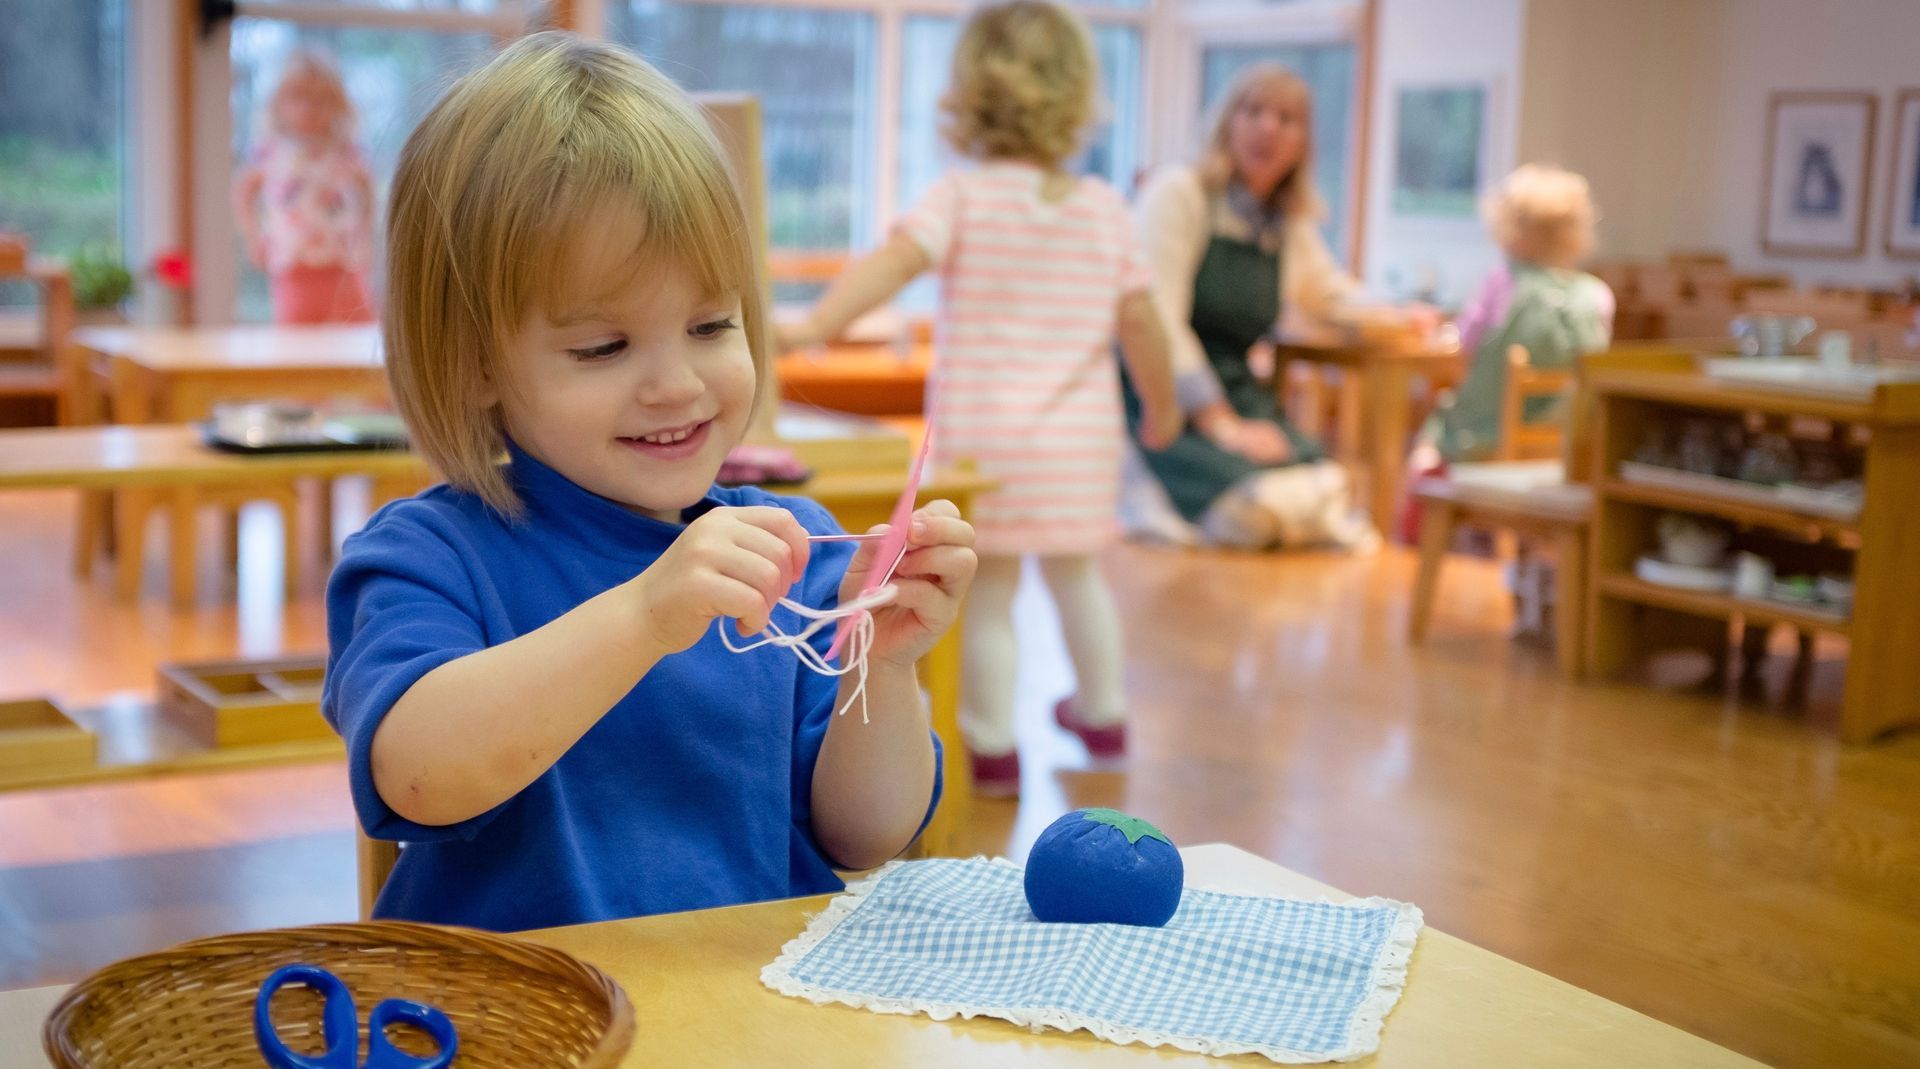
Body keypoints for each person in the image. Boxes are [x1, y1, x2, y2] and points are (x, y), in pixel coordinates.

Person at [322, 33, 976, 932]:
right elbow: (418, 775)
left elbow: (865, 834)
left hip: (750, 1013)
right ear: (475, 364)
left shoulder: (790, 542)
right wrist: (641, 617)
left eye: (712, 324)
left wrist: (885, 664)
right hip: (521, 1022)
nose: (677, 382)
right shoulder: (426, 555)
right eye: (603, 346)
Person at [777, 0, 1180, 798]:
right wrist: (1164, 409)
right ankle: (1102, 714)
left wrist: (814, 324)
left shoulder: (962, 196)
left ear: (968, 96)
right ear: (1076, 98)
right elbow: (1144, 324)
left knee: (989, 590)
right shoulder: (1105, 208)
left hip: (984, 442)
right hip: (1079, 443)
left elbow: (894, 261)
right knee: (1078, 577)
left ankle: (993, 748)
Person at [1125, 63, 1407, 552]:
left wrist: (1399, 316)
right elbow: (1156, 319)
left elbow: (1329, 294)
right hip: (1162, 397)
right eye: (1253, 111)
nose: (1268, 128)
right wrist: (1220, 423)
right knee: (1255, 510)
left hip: (1237, 390)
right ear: (1226, 122)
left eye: (1286, 118)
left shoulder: (1283, 222)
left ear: (1303, 142)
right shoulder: (1179, 194)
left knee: (1321, 481)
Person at [1414, 163, 1613, 470]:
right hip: (1564, 447)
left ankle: (1411, 513)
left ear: (1512, 233)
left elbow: (1461, 347)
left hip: (1483, 439)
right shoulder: (1597, 296)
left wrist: (1437, 334)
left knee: (1425, 452)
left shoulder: (1503, 283)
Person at [232, 51, 377, 324]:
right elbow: (243, 190)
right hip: (292, 260)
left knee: (361, 328)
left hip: (344, 260)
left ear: (339, 105)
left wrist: (365, 232)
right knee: (296, 335)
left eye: (321, 99)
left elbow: (367, 187)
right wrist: (253, 236)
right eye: (297, 98)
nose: (309, 108)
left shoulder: (346, 149)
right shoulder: (270, 150)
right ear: (278, 104)